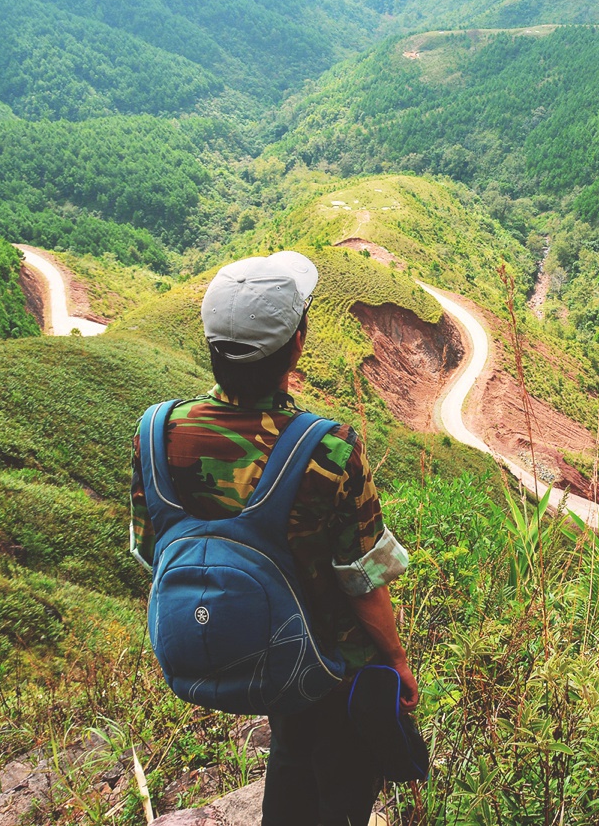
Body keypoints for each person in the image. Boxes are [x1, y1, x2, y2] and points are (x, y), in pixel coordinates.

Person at [129, 251, 416, 826]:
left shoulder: (157, 432)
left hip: (249, 648)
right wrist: (397, 658)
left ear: (212, 347)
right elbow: (363, 581)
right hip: (327, 659)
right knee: (342, 781)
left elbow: (149, 549)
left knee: (290, 755)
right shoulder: (328, 447)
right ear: (298, 345)